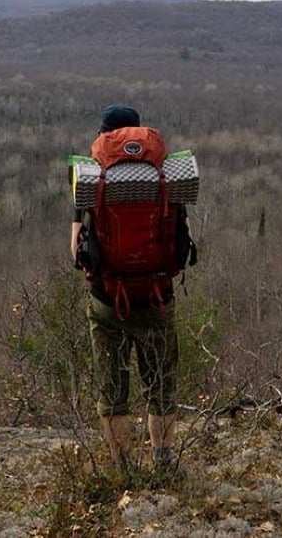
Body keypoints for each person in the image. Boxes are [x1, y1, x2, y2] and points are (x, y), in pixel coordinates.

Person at [71, 104, 183, 468]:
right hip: (156, 299)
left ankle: (123, 468)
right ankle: (162, 460)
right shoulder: (168, 177)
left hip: (108, 302)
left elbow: (76, 252)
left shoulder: (90, 182)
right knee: (161, 389)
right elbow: (179, 242)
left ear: (105, 137)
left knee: (112, 394)